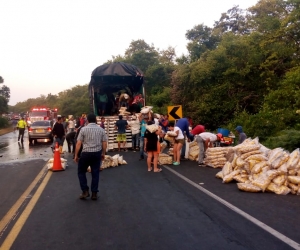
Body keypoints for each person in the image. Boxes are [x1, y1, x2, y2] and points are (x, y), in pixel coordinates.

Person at [74, 114, 108, 200]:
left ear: (87, 120)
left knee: (81, 172)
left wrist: (76, 155)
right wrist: (103, 153)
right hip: (97, 153)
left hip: (85, 153)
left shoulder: (83, 129)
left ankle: (85, 191)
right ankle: (94, 193)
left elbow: (78, 143)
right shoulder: (101, 130)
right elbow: (104, 143)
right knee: (95, 173)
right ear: (96, 120)